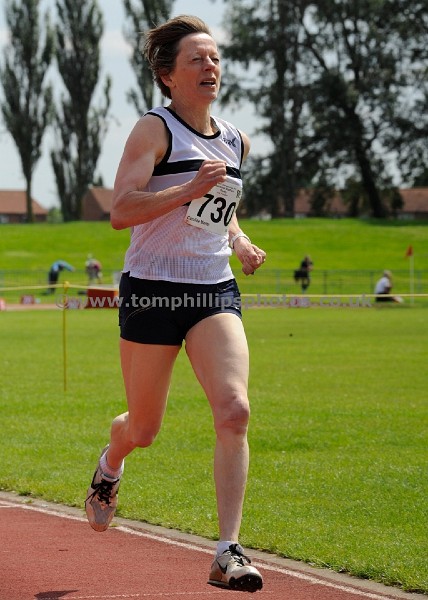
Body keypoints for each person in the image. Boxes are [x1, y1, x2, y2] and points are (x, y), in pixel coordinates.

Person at [84, 15, 265, 593]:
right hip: (153, 290)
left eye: (214, 58)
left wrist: (239, 240)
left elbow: (221, 207)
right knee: (144, 428)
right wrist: (187, 188)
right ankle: (111, 462)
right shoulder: (154, 130)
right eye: (196, 59)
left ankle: (227, 550)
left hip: (212, 289)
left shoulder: (234, 139)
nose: (210, 66)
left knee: (234, 411)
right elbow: (121, 210)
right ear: (168, 75)